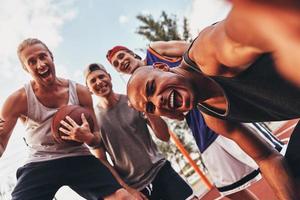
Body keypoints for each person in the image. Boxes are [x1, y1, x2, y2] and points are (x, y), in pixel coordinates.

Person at [126, 29, 300, 199]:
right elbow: (267, 158)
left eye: (151, 87)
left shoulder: (208, 52)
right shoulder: (213, 118)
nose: (158, 102)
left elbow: (268, 22)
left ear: (163, 67)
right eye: (151, 108)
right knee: (292, 171)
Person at [0, 38, 134, 200]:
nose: (40, 64)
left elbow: (97, 139)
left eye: (43, 57)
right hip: (41, 160)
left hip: (78, 155)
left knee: (123, 197)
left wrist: (87, 137)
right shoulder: (18, 100)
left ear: (51, 57)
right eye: (32, 62)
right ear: (26, 69)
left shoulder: (80, 92)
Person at [59, 63, 196, 200]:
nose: (99, 82)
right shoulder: (94, 120)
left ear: (109, 77)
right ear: (89, 89)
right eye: (93, 81)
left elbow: (164, 136)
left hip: (161, 170)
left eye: (101, 76)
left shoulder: (134, 101)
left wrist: (147, 108)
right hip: (137, 188)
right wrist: (127, 189)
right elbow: (102, 160)